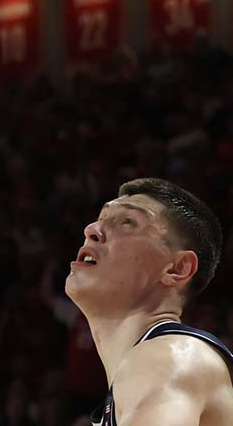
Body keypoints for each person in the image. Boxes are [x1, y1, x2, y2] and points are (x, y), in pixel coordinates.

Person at [66, 178, 233, 425]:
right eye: (100, 218)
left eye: (127, 222)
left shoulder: (170, 356)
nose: (91, 230)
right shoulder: (146, 370)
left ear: (177, 269)